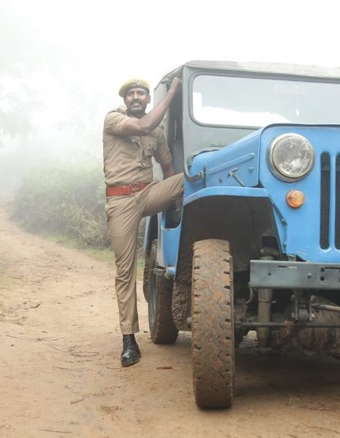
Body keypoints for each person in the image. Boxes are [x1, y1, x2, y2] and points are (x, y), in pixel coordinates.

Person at [102, 77, 184, 367]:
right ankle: (129, 340)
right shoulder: (114, 119)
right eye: (131, 94)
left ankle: (185, 239)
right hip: (121, 201)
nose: (136, 98)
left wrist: (175, 207)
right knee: (125, 270)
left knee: (190, 177)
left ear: (148, 99)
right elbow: (143, 126)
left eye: (141, 94)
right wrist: (172, 93)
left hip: (147, 194)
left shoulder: (157, 133)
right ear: (125, 100)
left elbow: (168, 166)